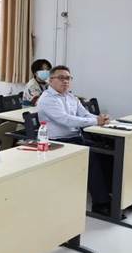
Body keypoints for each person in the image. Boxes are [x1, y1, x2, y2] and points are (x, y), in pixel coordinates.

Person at [37, 65, 111, 214]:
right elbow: (66, 120)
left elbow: (84, 114)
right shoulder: (47, 99)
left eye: (68, 78)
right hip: (57, 142)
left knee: (107, 152)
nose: (65, 81)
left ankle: (110, 195)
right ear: (51, 80)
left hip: (75, 138)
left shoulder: (70, 96)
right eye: (61, 78)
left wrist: (99, 119)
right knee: (91, 156)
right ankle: (100, 204)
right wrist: (95, 121)